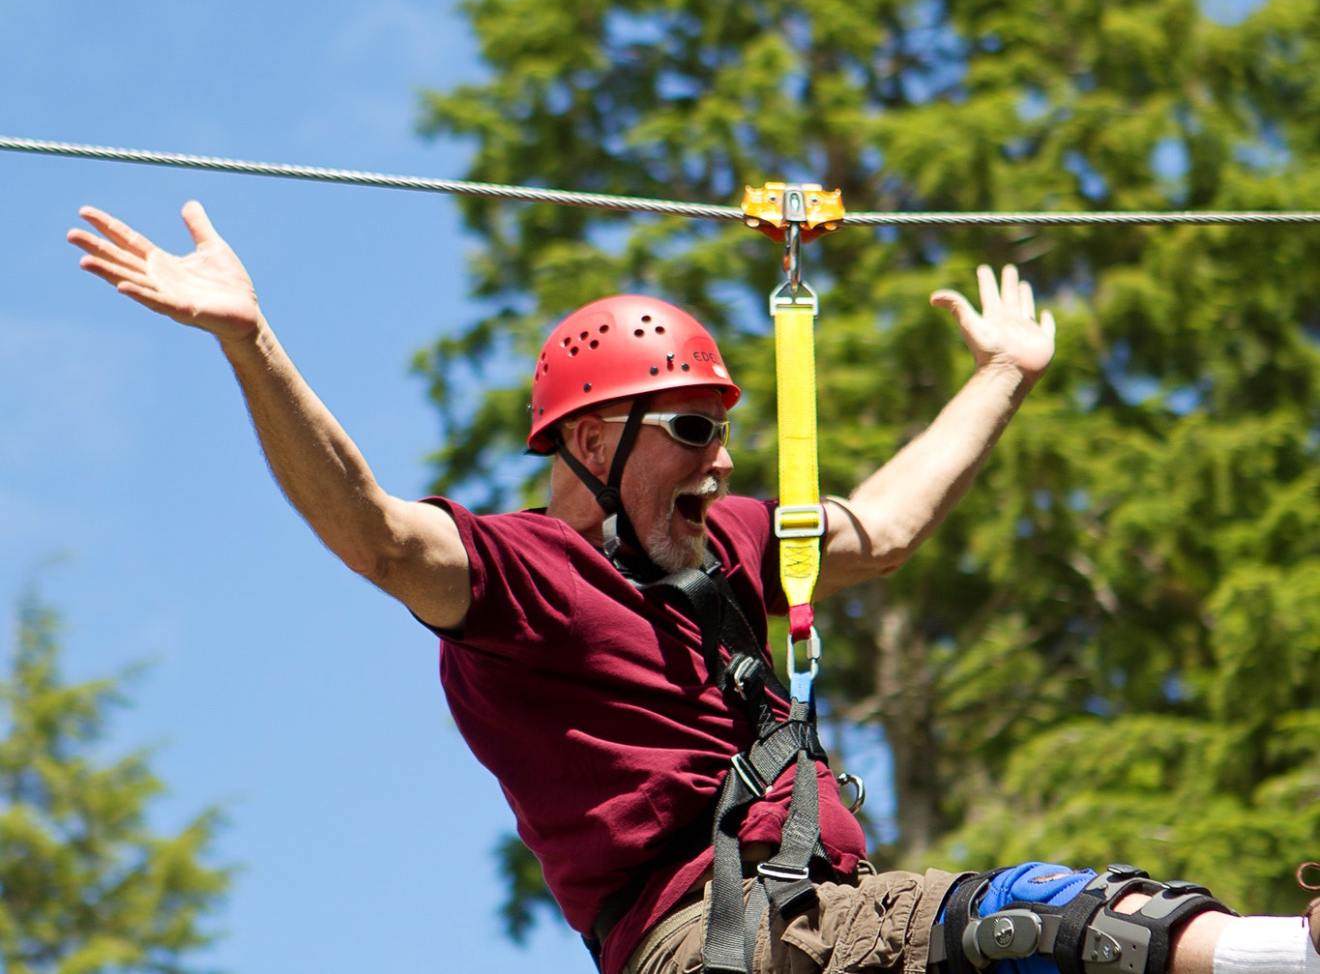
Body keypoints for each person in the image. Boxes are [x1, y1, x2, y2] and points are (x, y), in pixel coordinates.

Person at [68, 202, 1317, 974]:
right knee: (1050, 929)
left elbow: (875, 527)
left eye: (721, 430)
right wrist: (250, 338)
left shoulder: (719, 547)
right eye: (687, 428)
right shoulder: (522, 579)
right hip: (712, 945)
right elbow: (377, 534)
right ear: (593, 445)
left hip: (820, 925)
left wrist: (1003, 376)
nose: (721, 461)